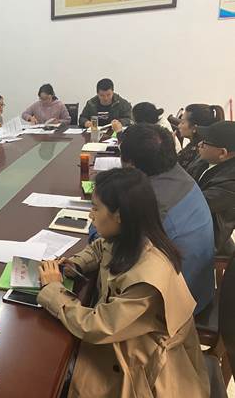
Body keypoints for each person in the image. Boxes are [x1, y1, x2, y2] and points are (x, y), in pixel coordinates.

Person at [37, 168, 209, 398]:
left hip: (147, 369)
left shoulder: (148, 279)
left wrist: (53, 291)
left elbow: (96, 326)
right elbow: (101, 247)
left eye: (96, 208)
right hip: (130, 340)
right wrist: (77, 264)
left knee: (50, 373)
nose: (91, 216)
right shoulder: (134, 235)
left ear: (118, 215)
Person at [120, 124, 215, 314]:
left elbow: (118, 252)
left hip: (174, 307)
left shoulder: (151, 202)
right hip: (199, 286)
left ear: (130, 164)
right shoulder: (178, 174)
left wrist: (98, 219)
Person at [187, 121, 235, 256]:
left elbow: (193, 205)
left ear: (222, 153)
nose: (199, 144)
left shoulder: (230, 183)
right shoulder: (205, 159)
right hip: (189, 224)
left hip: (205, 239)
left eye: (205, 143)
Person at [177, 104, 224, 171]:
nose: (179, 126)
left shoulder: (199, 153)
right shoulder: (192, 147)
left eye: (182, 122)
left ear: (194, 127)